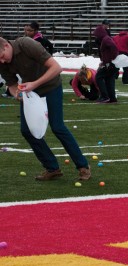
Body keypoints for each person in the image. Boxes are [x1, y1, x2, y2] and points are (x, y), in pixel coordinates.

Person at [0, 36, 91, 180]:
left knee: (57, 127)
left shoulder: (26, 44)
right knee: (26, 131)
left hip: (51, 87)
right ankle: (52, 168)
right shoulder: (2, 61)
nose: (2, 61)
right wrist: (17, 94)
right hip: (31, 92)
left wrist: (34, 84)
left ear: (6, 46)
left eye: (2, 56)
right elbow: (11, 84)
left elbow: (56, 68)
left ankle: (83, 166)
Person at [93, 24, 119, 103]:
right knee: (109, 79)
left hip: (110, 63)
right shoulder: (106, 38)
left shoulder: (105, 39)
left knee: (98, 77)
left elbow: (114, 48)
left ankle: (104, 96)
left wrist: (111, 60)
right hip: (111, 63)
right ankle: (112, 98)